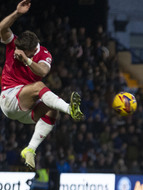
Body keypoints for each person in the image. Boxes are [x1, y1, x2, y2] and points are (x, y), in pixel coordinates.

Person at [0, 0, 84, 170]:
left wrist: (27, 60)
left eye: (25, 52)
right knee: (39, 88)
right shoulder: (14, 43)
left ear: (32, 50)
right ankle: (70, 109)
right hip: (8, 98)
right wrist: (17, 13)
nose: (18, 54)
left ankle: (30, 149)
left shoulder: (44, 54)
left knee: (52, 109)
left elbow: (43, 71)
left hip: (26, 109)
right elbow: (2, 28)